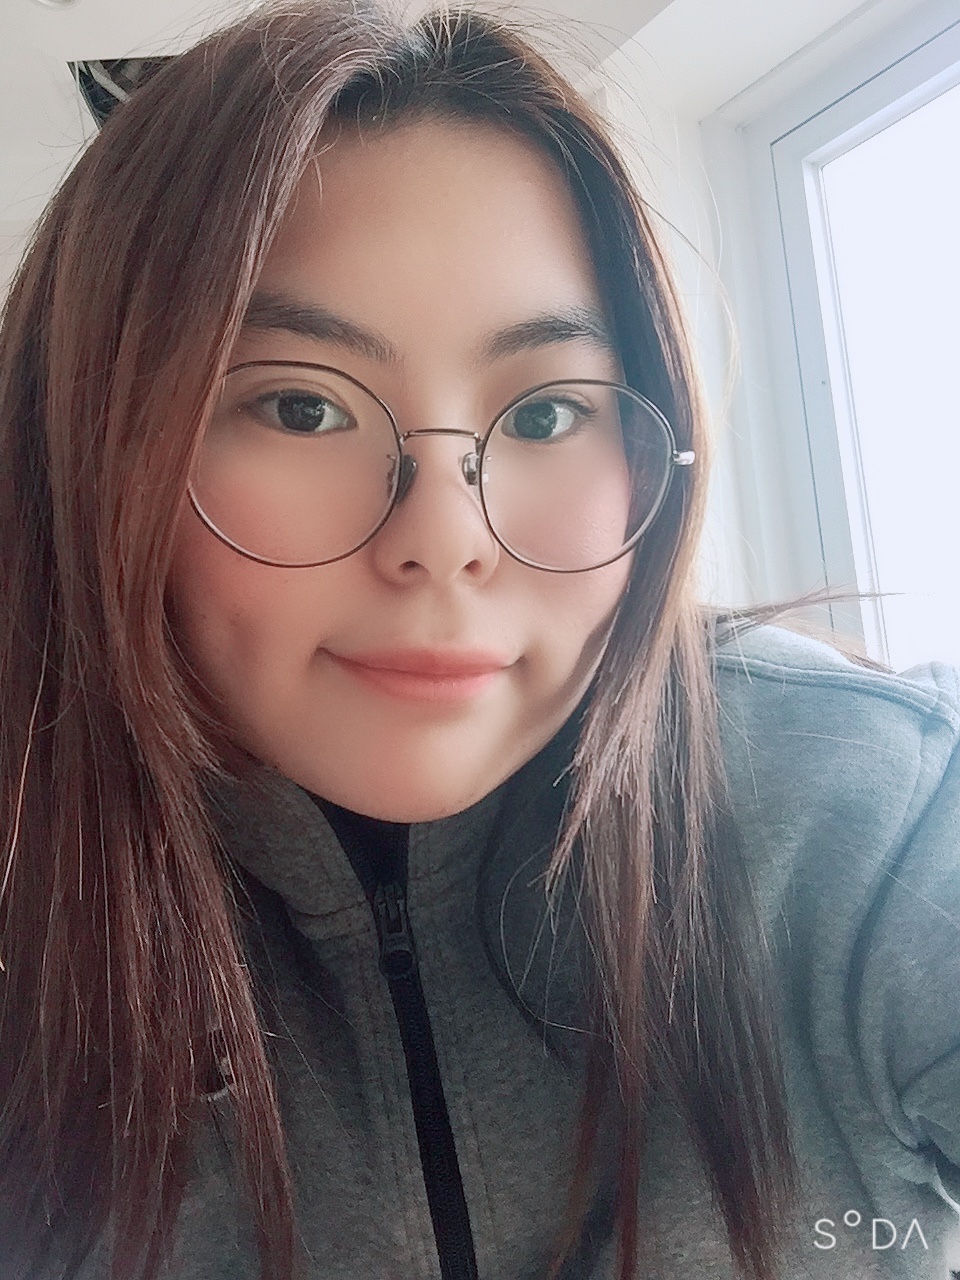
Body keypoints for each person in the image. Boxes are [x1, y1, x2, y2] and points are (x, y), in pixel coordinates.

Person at [0, 2, 957, 1278]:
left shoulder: (866, 812)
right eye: (301, 407)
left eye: (549, 412)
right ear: (86, 442)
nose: (446, 540)